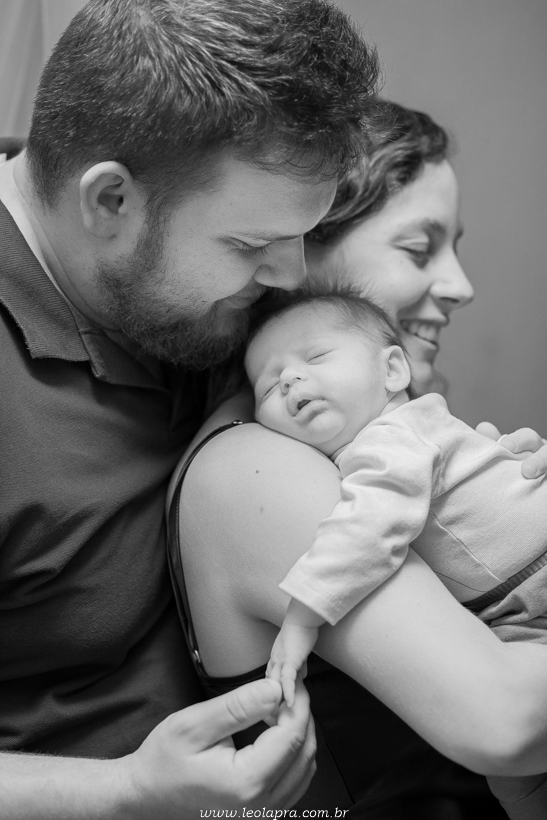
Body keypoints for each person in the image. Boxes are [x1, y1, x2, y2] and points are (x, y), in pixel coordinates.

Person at [0, 0, 381, 815]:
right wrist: (123, 791)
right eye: (250, 246)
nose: (289, 275)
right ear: (110, 201)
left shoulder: (190, 283)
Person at [171, 101, 547, 819]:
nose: (460, 285)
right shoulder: (254, 469)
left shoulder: (345, 439)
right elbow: (508, 724)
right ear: (301, 252)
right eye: (418, 247)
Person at [244, 291, 547, 696]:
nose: (287, 379)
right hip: (511, 602)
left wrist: (302, 614)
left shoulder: (391, 436)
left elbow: (370, 525)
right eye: (267, 388)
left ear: (391, 370)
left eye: (316, 357)